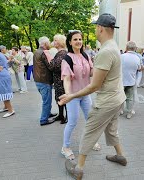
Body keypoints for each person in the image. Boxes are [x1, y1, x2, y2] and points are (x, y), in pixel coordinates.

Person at [59, 13, 127, 179]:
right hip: (118, 99)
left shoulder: (105, 51)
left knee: (89, 132)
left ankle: (79, 169)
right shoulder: (113, 46)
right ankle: (120, 156)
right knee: (111, 129)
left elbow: (95, 85)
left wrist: (71, 96)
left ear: (100, 29)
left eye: (96, 27)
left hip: (107, 102)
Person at [60, 30, 97, 160]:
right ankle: (65, 147)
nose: (78, 42)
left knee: (90, 119)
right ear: (70, 42)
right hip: (73, 96)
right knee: (72, 122)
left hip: (85, 94)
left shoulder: (86, 56)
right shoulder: (67, 58)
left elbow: (92, 73)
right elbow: (66, 79)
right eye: (75, 39)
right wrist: (69, 95)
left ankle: (89, 142)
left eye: (80, 39)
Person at [33, 36, 57, 126]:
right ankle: (44, 119)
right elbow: (51, 66)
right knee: (47, 101)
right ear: (45, 43)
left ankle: (48, 113)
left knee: (46, 99)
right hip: (44, 80)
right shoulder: (44, 53)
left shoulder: (36, 51)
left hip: (38, 79)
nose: (50, 44)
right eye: (49, 42)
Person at [46, 34, 68, 124]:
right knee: (59, 98)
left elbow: (54, 67)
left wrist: (49, 58)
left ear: (60, 42)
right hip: (59, 80)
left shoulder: (62, 53)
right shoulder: (60, 53)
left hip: (62, 80)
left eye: (55, 40)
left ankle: (66, 116)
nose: (53, 42)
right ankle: (61, 115)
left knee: (63, 98)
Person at [120, 41, 140, 119]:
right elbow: (139, 68)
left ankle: (120, 110)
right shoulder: (137, 58)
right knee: (130, 98)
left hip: (122, 80)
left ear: (126, 48)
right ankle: (129, 113)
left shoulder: (122, 56)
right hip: (131, 80)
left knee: (120, 97)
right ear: (134, 48)